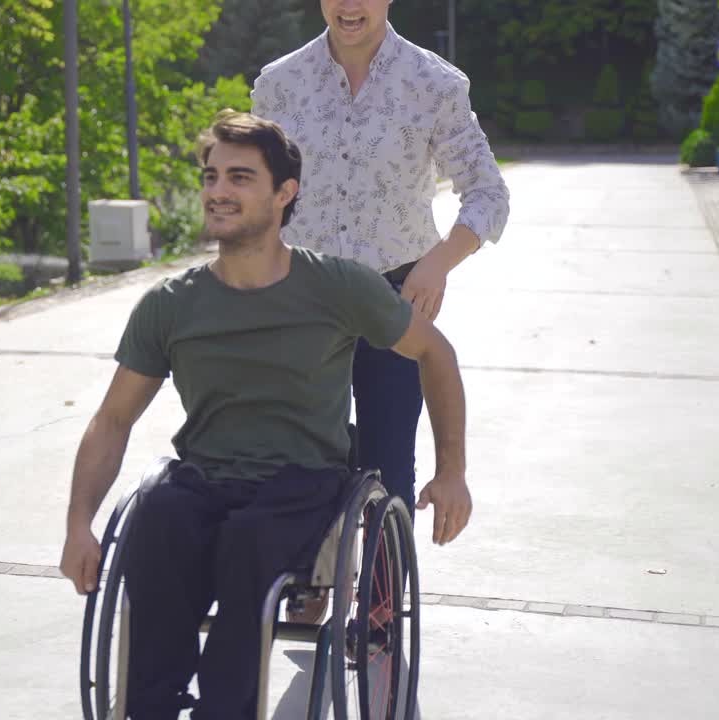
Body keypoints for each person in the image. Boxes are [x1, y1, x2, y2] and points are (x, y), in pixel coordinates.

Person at [59, 110, 471, 720]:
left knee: (248, 540)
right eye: (211, 176)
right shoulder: (172, 305)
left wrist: (451, 470)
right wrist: (78, 524)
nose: (218, 191)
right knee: (157, 519)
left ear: (285, 194)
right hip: (205, 480)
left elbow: (435, 353)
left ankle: (224, 711)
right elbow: (113, 418)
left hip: (304, 483)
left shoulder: (338, 287)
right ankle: (149, 707)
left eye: (240, 177)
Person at [250, 0, 509, 623]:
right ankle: (309, 575)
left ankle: (383, 597)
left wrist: (439, 261)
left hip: (395, 293)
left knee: (389, 451)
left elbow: (487, 191)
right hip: (301, 293)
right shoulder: (279, 82)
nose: (349, 6)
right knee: (302, 447)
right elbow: (255, 188)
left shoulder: (434, 83)